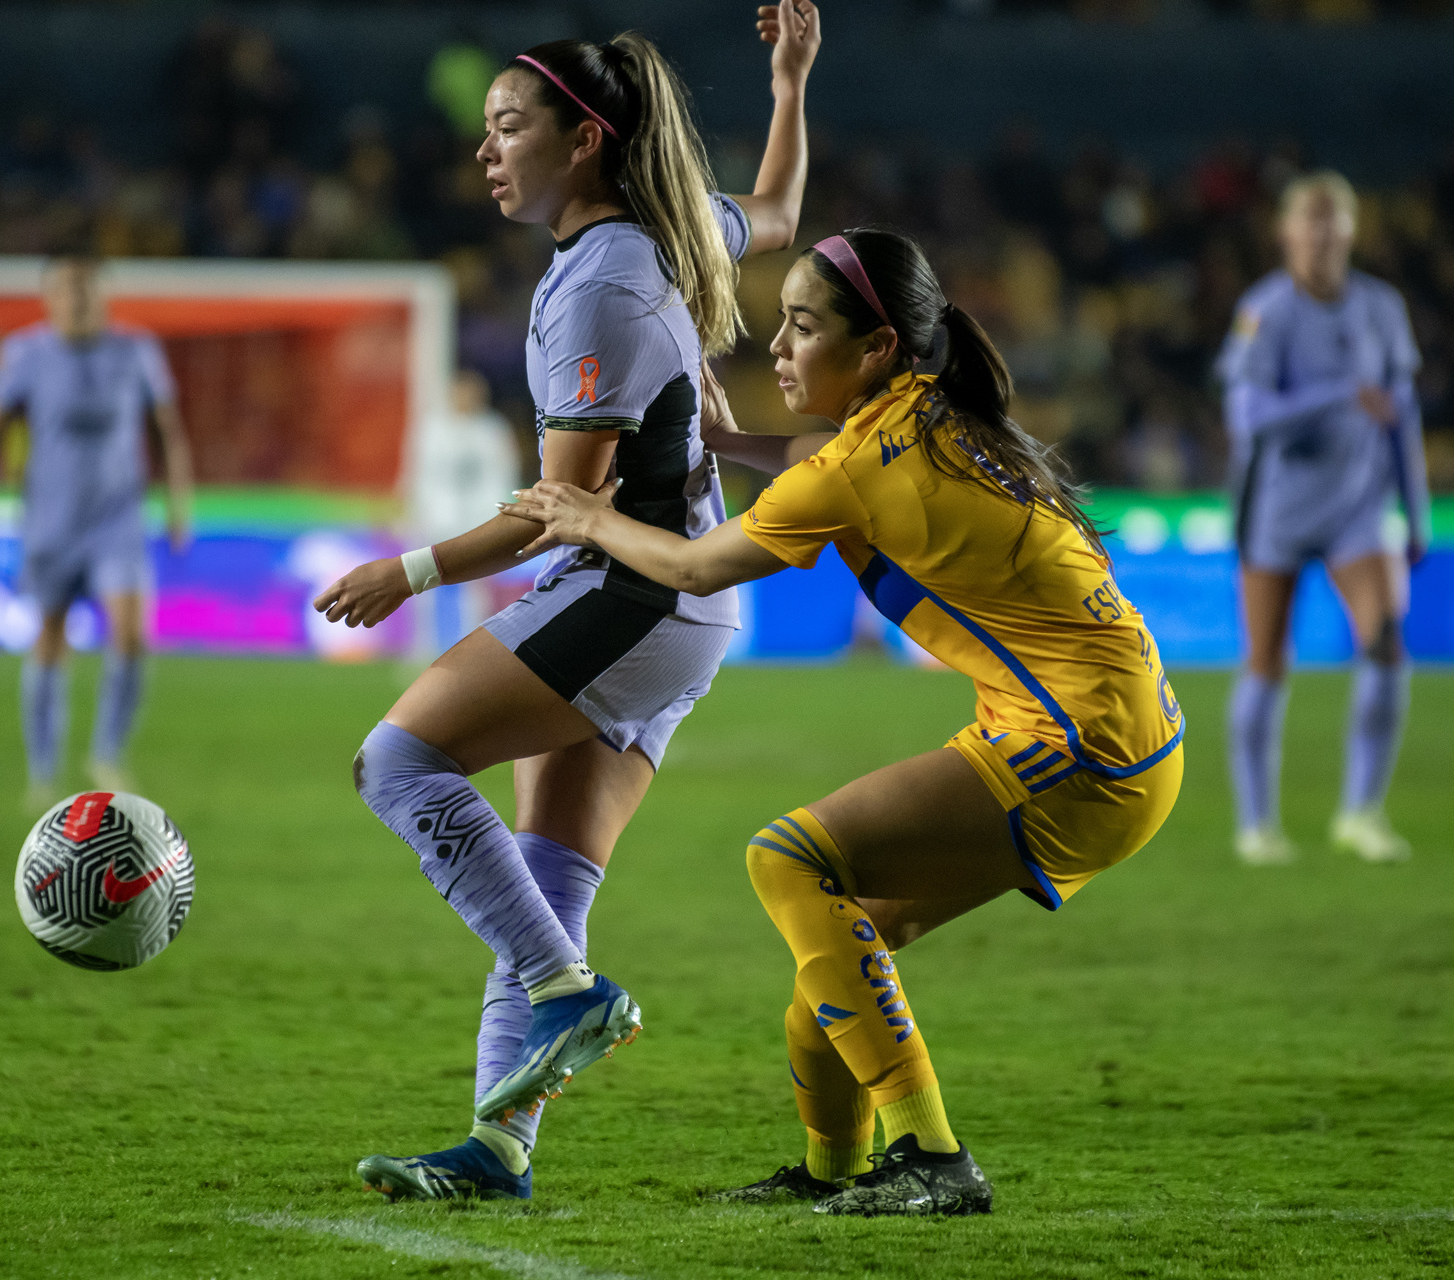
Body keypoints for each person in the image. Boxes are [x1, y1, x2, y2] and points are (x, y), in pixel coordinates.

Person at [501, 227, 1184, 1216]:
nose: (776, 345)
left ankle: (933, 1156)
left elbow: (697, 565)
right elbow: (819, 456)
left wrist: (586, 514)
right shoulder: (929, 408)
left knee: (789, 859)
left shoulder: (861, 462)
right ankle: (835, 1172)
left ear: (873, 352)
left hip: (1075, 744)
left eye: (802, 325)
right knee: (841, 942)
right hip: (1120, 731)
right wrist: (719, 441)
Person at [316, 4, 822, 1202]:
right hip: (682, 604)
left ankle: (572, 994)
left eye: (507, 127)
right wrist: (792, 82)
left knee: (397, 764)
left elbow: (565, 503)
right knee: (543, 881)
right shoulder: (672, 227)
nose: (486, 151)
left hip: (632, 590)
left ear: (584, 136)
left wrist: (412, 571)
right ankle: (499, 1150)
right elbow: (784, 213)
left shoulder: (597, 288)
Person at [1218, 172, 1427, 867]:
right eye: (1310, 218)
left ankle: (1362, 812)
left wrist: (1416, 508)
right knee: (1267, 660)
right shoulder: (1266, 311)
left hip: (1358, 510)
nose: (1322, 231)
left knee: (1387, 640)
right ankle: (1257, 824)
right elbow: (1249, 419)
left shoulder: (1381, 308)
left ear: (1350, 229)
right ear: (1286, 232)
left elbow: (1401, 417)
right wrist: (1337, 393)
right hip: (1275, 508)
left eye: (1334, 218)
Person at [0, 255, 194, 807]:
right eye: (65, 290)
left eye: (85, 289)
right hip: (50, 520)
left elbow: (167, 431)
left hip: (119, 517)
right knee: (50, 636)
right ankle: (42, 770)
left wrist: (180, 503)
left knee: (131, 631)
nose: (77, 299)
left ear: (103, 295)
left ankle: (107, 753)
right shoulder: (24, 353)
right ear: (48, 298)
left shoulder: (136, 350)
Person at [405, 368, 522, 660]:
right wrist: (414, 508)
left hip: (477, 518)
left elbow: (503, 474)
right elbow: (418, 472)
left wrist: (498, 514)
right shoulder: (432, 428)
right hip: (436, 517)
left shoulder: (492, 429)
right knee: (422, 583)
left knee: (477, 586)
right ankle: (423, 645)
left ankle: (474, 647)